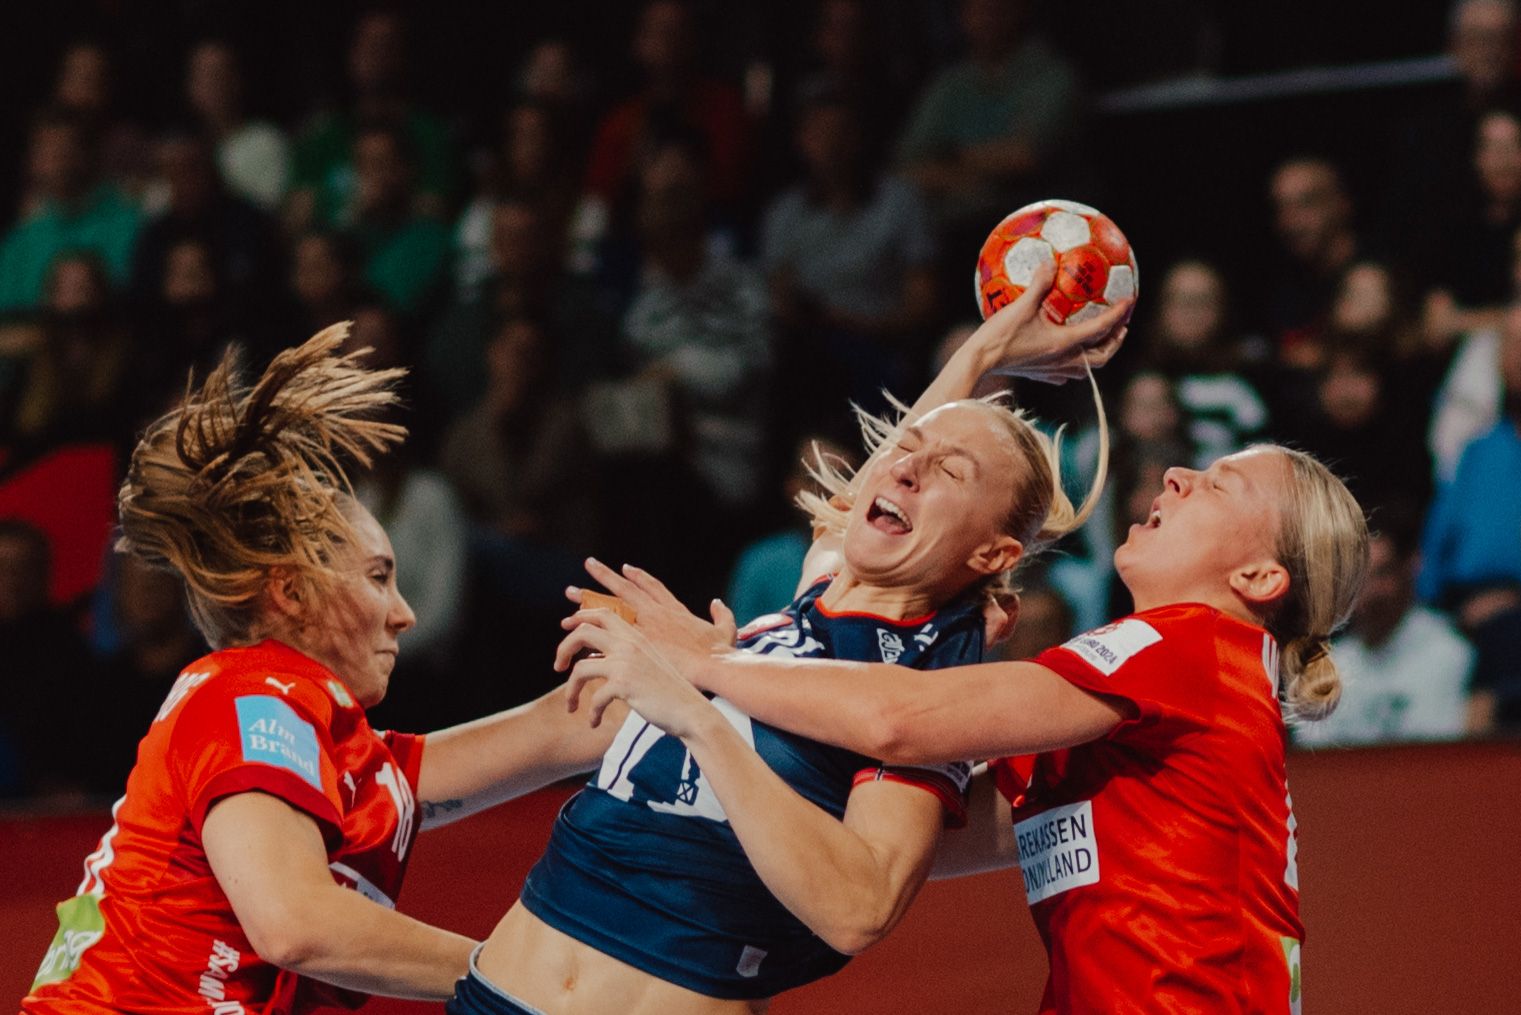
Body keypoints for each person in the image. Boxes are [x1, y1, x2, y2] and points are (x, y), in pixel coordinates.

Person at [447, 273, 1130, 1014]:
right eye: (906, 450)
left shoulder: (926, 687)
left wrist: (697, 712)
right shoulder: (805, 612)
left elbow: (860, 906)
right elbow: (866, 497)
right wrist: (986, 347)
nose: (903, 467)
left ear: (993, 554)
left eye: (950, 471)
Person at [561, 400, 1370, 1010]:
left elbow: (901, 720)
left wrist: (713, 667)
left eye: (1217, 485)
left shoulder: (1192, 645)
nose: (1175, 475)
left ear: (1260, 579)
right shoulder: (1155, 710)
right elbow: (919, 835)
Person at [22, 326, 623, 1011]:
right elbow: (298, 926)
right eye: (378, 576)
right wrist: (529, 980)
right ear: (292, 590)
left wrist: (710, 672)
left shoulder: (321, 744)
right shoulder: (251, 697)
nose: (404, 613)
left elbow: (560, 728)